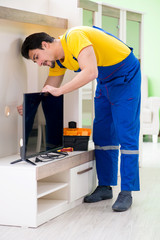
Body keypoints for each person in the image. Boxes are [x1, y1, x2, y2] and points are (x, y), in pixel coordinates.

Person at [20, 26, 141, 212]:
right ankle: (105, 186)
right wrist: (29, 106)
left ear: (45, 45)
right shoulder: (58, 62)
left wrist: (60, 91)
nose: (39, 63)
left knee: (126, 133)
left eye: (36, 57)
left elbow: (90, 72)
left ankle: (127, 191)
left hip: (126, 75)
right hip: (105, 82)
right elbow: (47, 91)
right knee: (102, 135)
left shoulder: (74, 37)